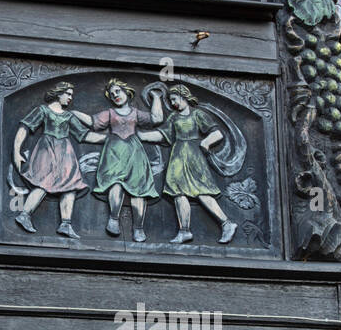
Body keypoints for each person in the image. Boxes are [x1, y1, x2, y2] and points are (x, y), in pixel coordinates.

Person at [12, 81, 105, 240]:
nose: (70, 98)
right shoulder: (43, 110)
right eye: (68, 94)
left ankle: (65, 224)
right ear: (58, 93)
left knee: (70, 186)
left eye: (71, 95)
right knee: (43, 182)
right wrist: (16, 151)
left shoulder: (68, 116)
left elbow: (84, 135)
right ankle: (24, 215)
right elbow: (24, 128)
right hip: (47, 150)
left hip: (65, 154)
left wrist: (108, 139)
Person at [159, 84, 237, 245]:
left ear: (184, 96)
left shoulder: (197, 115)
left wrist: (206, 143)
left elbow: (217, 133)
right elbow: (163, 136)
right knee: (178, 193)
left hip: (194, 156)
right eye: (171, 100)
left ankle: (227, 223)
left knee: (202, 192)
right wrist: (140, 135)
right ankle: (184, 231)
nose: (173, 103)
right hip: (178, 158)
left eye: (174, 99)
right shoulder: (173, 117)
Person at [91, 79, 164, 243]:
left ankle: (138, 228)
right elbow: (93, 122)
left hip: (134, 152)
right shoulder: (110, 113)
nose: (115, 95)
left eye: (118, 91)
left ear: (127, 91)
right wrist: (71, 114)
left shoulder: (136, 113)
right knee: (115, 182)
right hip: (114, 151)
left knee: (139, 189)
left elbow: (156, 119)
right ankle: (113, 219)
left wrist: (157, 97)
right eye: (112, 94)